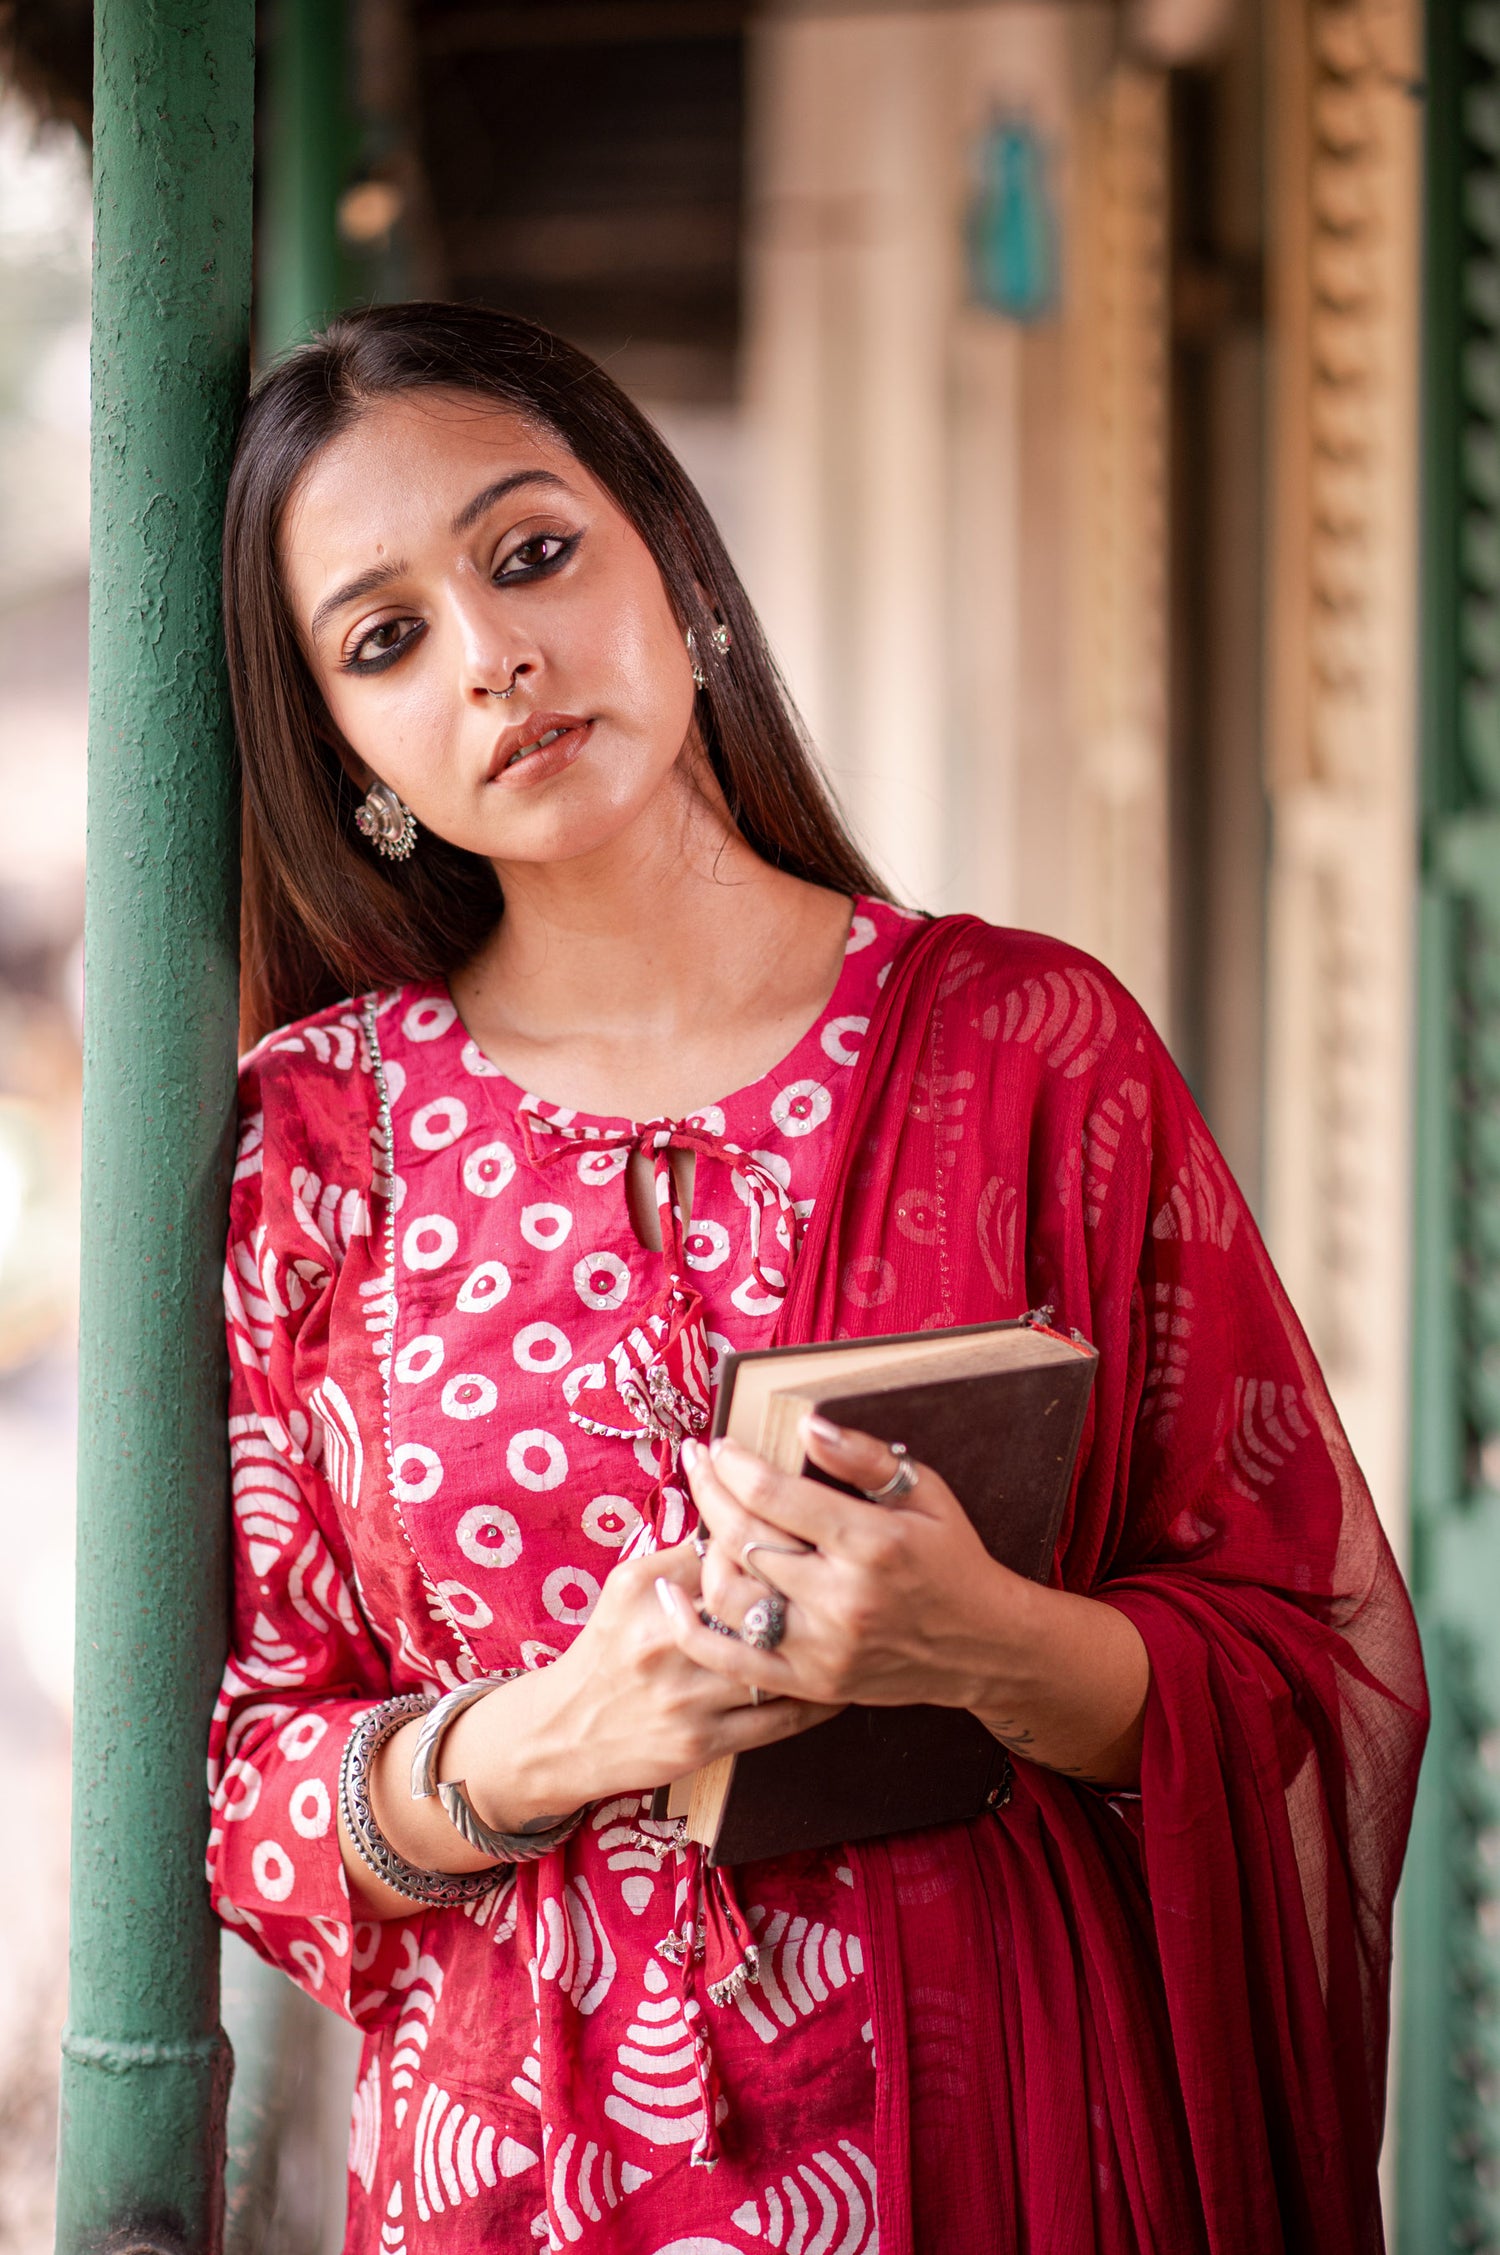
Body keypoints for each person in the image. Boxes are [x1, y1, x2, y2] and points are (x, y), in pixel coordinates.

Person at [209, 301, 1426, 2255]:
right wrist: (552, 1737)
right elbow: (241, 1784)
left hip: (1004, 2145)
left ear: (675, 563)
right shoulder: (315, 1144)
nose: (494, 655)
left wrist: (984, 1648)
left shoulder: (1031, 1050)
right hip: (523, 2190)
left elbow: (1302, 1662)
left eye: (531, 554)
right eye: (387, 639)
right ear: (342, 747)